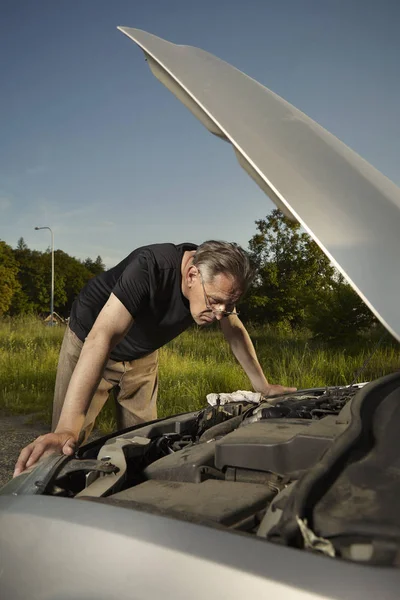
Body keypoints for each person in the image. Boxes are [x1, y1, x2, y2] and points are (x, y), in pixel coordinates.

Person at [14, 240, 296, 476]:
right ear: (192, 275)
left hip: (142, 355)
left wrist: (263, 386)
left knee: (143, 443)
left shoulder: (217, 282)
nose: (221, 312)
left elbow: (234, 330)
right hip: (90, 345)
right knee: (68, 444)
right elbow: (103, 337)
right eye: (214, 302)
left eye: (230, 304)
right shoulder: (150, 266)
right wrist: (65, 429)